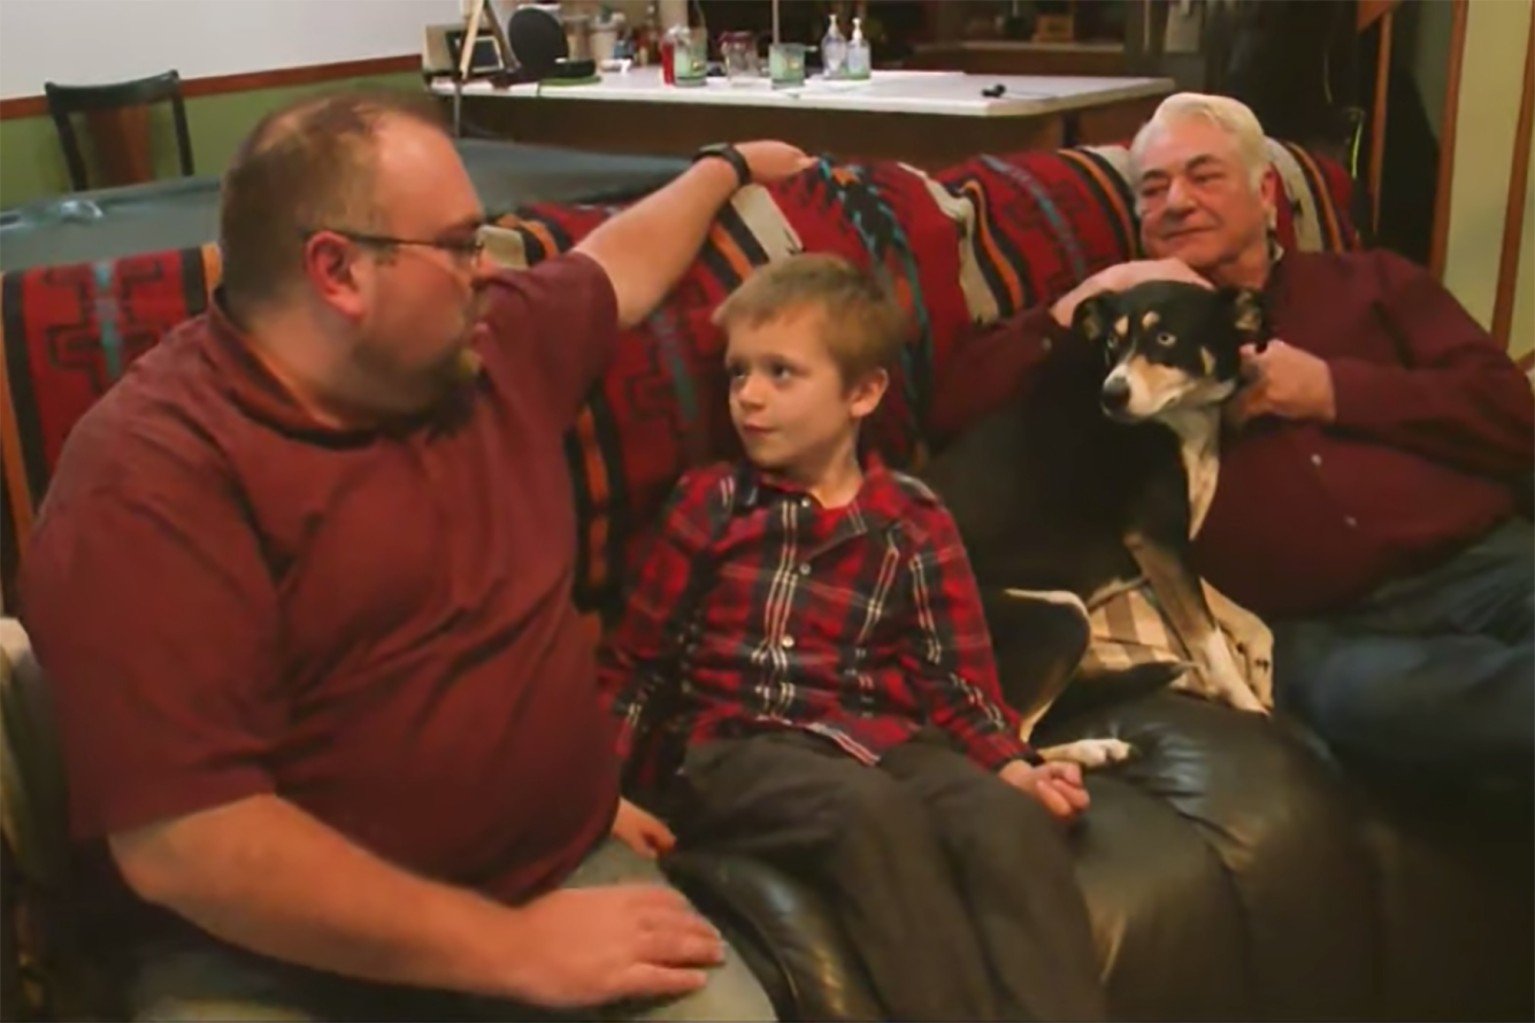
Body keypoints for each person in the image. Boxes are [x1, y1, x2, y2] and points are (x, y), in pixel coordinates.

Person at [18, 89, 815, 1021]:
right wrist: (512, 950)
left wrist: (721, 167)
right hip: (271, 955)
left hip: (553, 873)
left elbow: (613, 269)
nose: (487, 268)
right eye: (461, 243)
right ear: (338, 271)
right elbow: (187, 842)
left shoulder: (483, 351)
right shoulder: (150, 477)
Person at [930, 92, 1534, 799]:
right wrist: (1080, 300)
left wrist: (1334, 389)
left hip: (1479, 564)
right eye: (1152, 189)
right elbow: (953, 406)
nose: (1176, 201)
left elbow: (1511, 415)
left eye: (1204, 175)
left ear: (1266, 190)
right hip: (1322, 627)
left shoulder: (1370, 283)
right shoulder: (1124, 349)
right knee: (1369, 701)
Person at [599, 254, 1106, 1022]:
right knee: (867, 813)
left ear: (862, 392)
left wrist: (1012, 766)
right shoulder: (712, 504)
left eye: (781, 372)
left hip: (881, 737)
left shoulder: (912, 518)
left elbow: (955, 682)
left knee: (1002, 820)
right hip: (735, 749)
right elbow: (635, 664)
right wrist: (601, 792)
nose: (750, 398)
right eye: (737, 374)